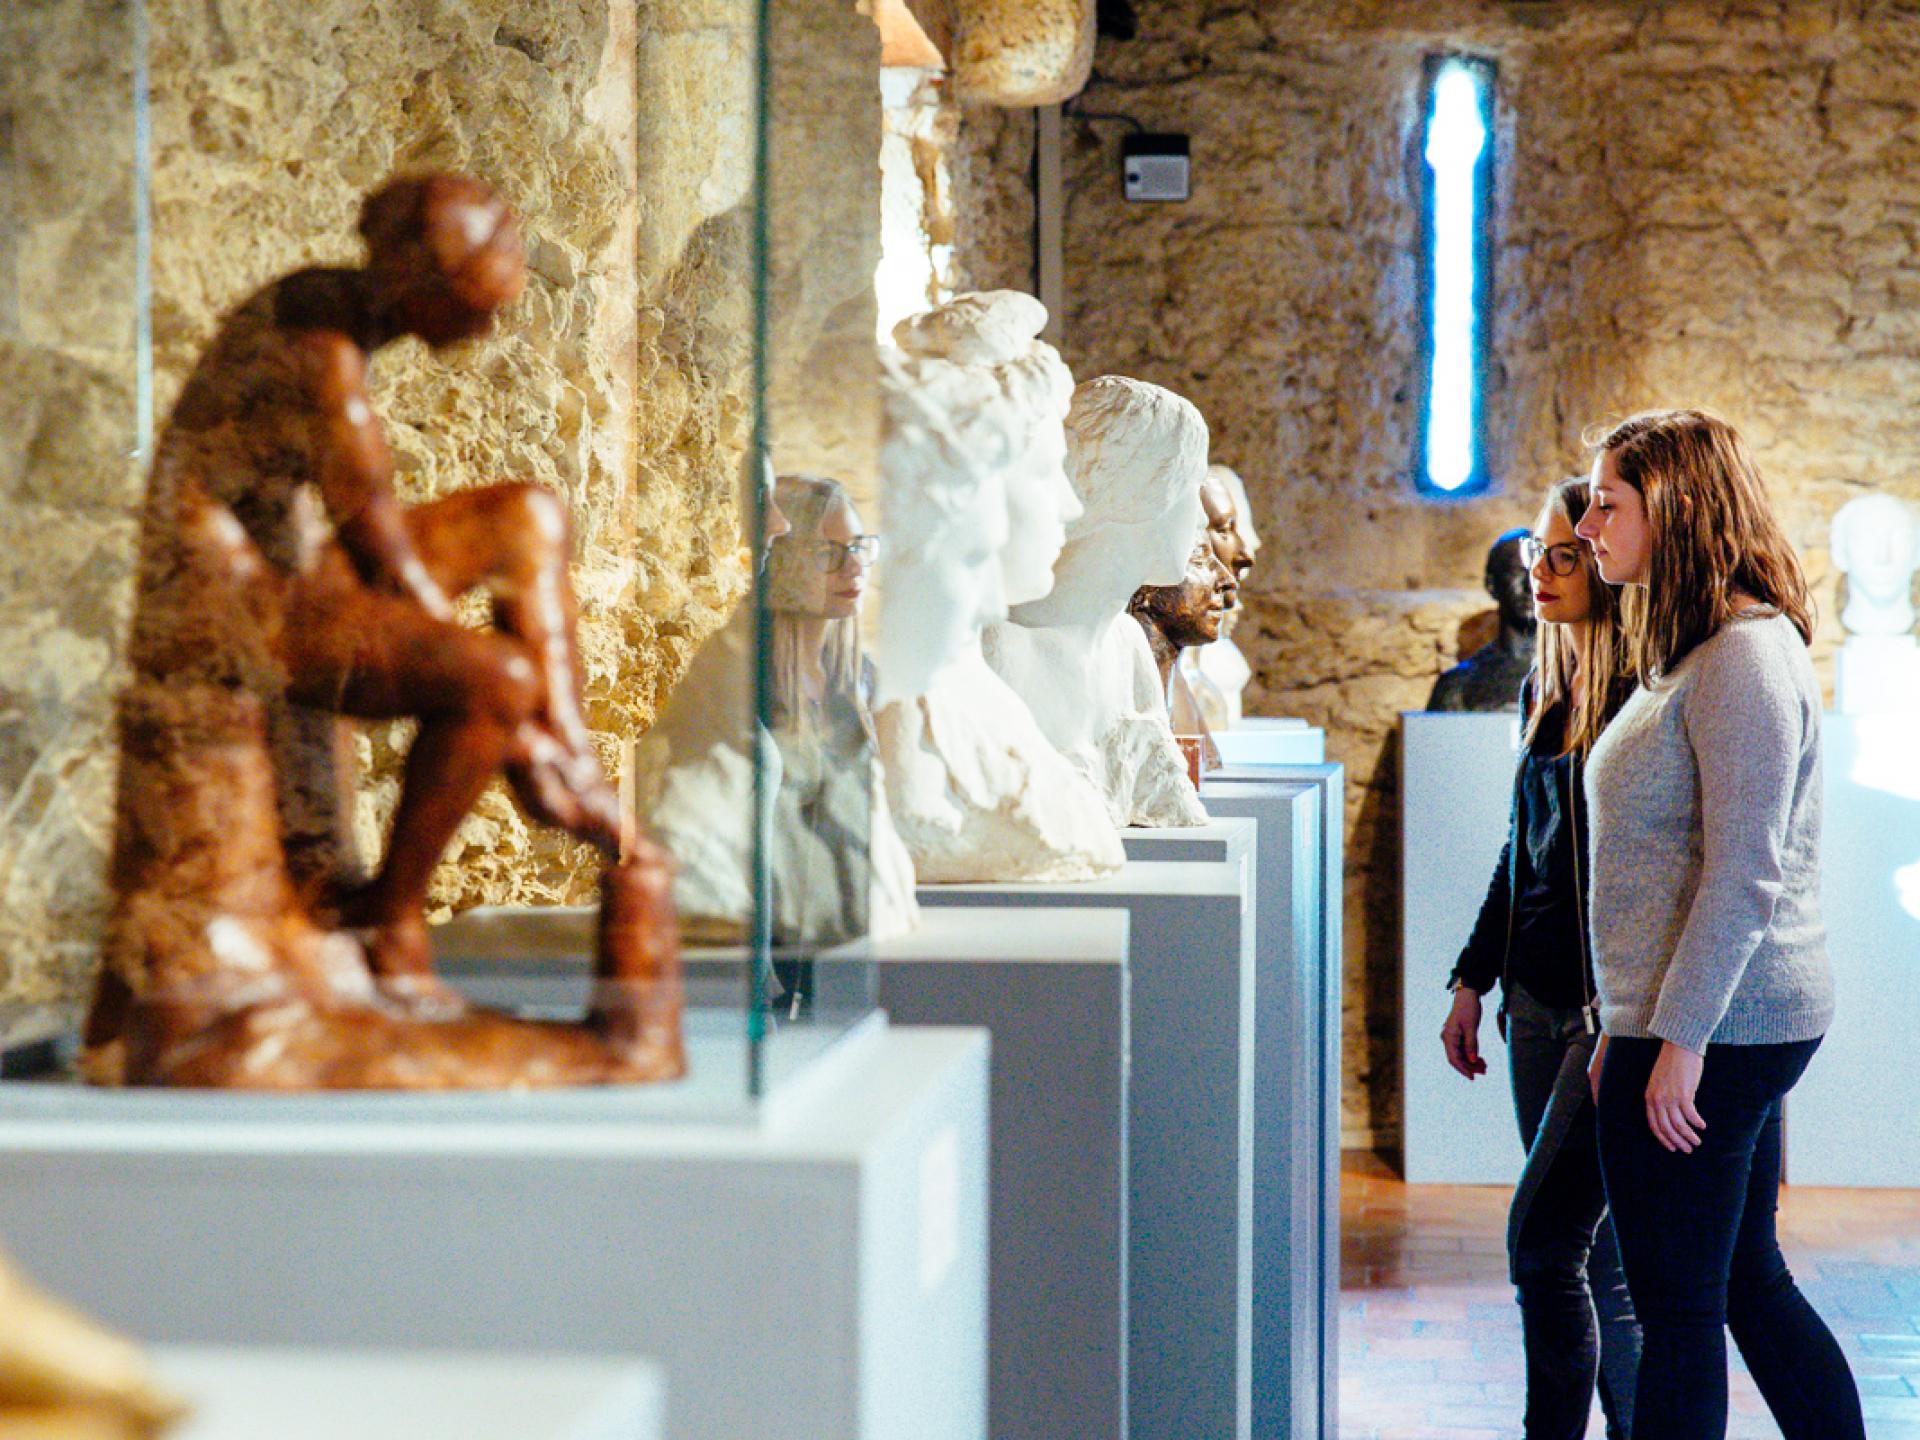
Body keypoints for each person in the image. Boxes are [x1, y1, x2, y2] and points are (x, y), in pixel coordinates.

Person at [1573, 409, 1862, 1439]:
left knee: (1681, 1313)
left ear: (1678, 506)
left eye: (1611, 502)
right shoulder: (1710, 646)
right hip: (1698, 1016)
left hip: (1722, 1026)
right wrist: (1625, 1019)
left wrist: (1680, 1038)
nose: (1589, 525)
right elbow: (1674, 869)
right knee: (1743, 1287)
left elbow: (1744, 871)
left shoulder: (1743, 656)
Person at [1440, 477, 1642, 1440]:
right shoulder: (1542, 685)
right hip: (1532, 1001)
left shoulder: (1640, 694)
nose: (1546, 575)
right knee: (1579, 1252)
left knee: (1548, 1243)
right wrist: (1472, 978)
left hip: (1603, 1014)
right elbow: (1518, 852)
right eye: (1540, 558)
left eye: (1566, 556)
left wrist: (1624, 1012)